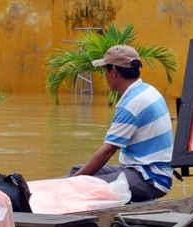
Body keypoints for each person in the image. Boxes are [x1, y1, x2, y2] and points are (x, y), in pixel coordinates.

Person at [70, 45, 173, 202]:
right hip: (143, 170)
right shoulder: (148, 90)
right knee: (77, 171)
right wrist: (78, 176)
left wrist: (71, 183)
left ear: (114, 72)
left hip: (151, 178)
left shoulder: (132, 103)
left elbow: (108, 150)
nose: (104, 75)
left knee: (82, 184)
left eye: (105, 70)